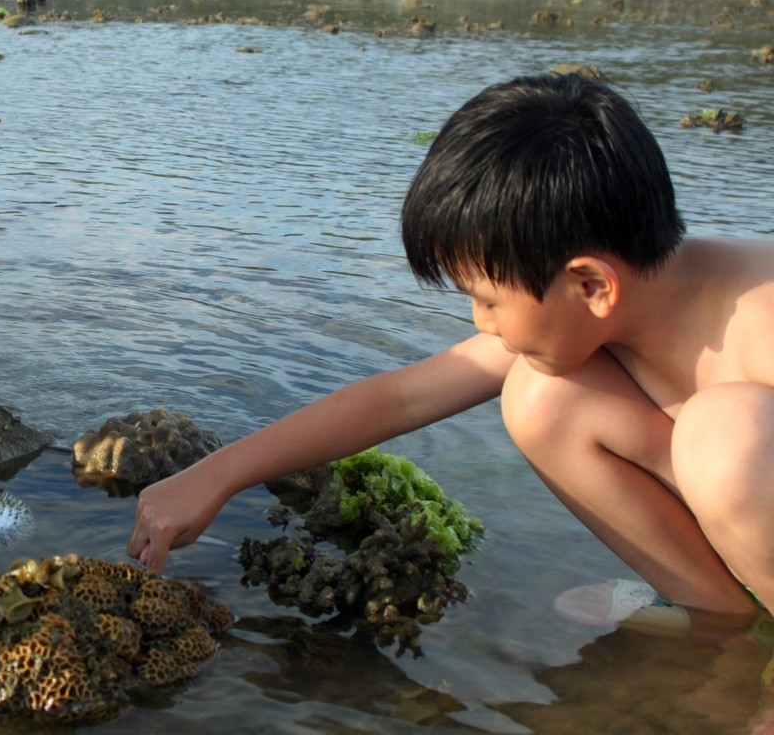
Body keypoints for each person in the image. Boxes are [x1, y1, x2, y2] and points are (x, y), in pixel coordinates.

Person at [128, 72, 774, 630]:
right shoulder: (616, 296)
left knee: (725, 433)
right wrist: (214, 475)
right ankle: (717, 616)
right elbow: (400, 397)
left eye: (485, 299)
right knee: (543, 396)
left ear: (590, 285)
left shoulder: (760, 321)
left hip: (741, 460)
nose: (478, 321)